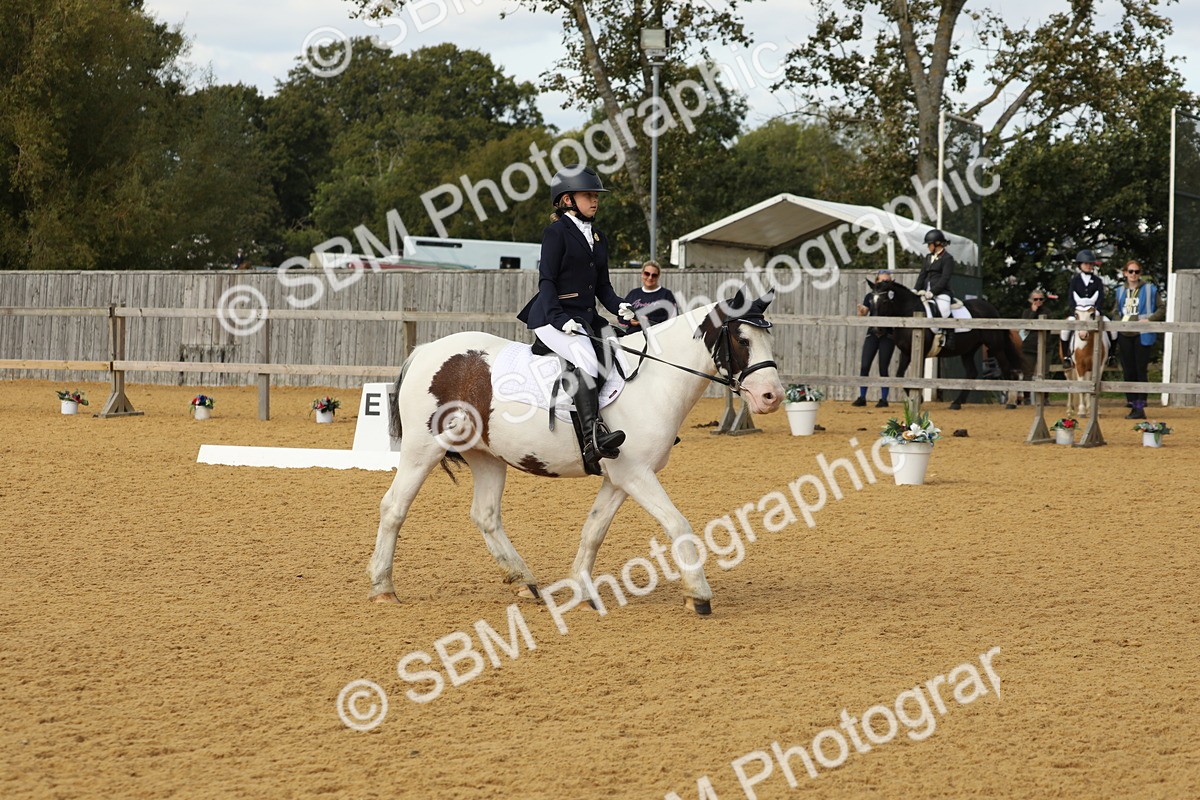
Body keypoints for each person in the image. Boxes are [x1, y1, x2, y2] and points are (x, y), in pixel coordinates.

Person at [517, 166, 636, 464]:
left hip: (585, 318)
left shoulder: (598, 237)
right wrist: (558, 319)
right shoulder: (556, 233)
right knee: (586, 358)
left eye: (596, 196)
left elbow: (603, 287)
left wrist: (618, 306)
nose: (595, 201)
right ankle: (592, 439)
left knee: (620, 350)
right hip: (552, 317)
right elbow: (547, 282)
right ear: (568, 200)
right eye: (588, 195)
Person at [1111, 259, 1163, 420]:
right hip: (1125, 334)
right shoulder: (1120, 291)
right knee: (1128, 371)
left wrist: (1150, 320)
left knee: (1141, 370)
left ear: (1140, 273)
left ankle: (1140, 407)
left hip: (1142, 333)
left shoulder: (1150, 289)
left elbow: (1162, 308)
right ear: (1125, 273)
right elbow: (1115, 311)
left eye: (1137, 271)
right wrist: (1119, 322)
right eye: (1131, 271)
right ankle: (1132, 403)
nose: (1133, 274)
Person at [913, 228, 969, 350]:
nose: (928, 247)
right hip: (925, 291)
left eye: (929, 244)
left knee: (944, 310)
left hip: (941, 292)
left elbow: (945, 278)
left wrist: (933, 292)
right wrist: (915, 289)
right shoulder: (928, 257)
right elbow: (922, 275)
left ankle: (950, 337)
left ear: (937, 244)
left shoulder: (947, 258)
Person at [851, 269, 896, 408]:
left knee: (883, 367)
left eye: (887, 281)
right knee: (865, 365)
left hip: (887, 334)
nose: (884, 283)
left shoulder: (894, 296)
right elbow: (863, 313)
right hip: (873, 333)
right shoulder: (870, 296)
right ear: (876, 281)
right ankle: (862, 397)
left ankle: (884, 399)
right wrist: (861, 311)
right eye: (882, 280)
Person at [1060, 249, 1106, 368]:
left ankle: (1111, 356)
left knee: (1112, 329)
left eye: (1090, 264)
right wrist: (1074, 311)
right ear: (1080, 265)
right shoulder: (1075, 281)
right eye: (1086, 264)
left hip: (1094, 313)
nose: (1088, 266)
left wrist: (1097, 310)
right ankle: (1067, 357)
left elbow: (1101, 297)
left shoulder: (1097, 281)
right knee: (1064, 330)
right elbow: (1071, 298)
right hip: (1078, 313)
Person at [623, 260, 678, 331]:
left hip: (656, 334)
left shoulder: (667, 295)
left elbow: (673, 319)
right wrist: (630, 321)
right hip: (632, 335)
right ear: (642, 274)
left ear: (658, 276)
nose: (650, 277)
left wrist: (648, 320)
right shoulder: (633, 294)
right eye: (647, 274)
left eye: (654, 275)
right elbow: (621, 315)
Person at [1019, 289, 1052, 403]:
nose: (1038, 301)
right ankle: (1027, 398)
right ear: (1030, 300)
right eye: (1035, 299)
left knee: (1045, 373)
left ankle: (1045, 398)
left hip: (1045, 346)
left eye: (1040, 299)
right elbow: (1026, 326)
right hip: (1029, 346)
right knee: (1027, 373)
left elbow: (1047, 326)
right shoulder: (1026, 312)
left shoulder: (1047, 312)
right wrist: (1033, 312)